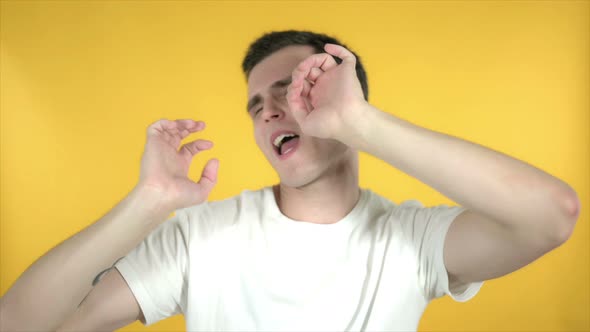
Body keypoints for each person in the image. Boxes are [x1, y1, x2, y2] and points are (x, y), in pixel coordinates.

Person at [0, 30, 580, 332]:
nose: (270, 111)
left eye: (293, 91)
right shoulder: (200, 240)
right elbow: (22, 323)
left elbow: (552, 215)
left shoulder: (414, 242)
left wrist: (360, 124)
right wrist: (147, 205)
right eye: (257, 106)